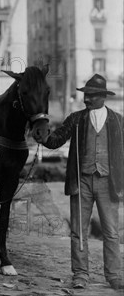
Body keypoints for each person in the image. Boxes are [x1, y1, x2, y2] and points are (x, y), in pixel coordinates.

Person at [42, 74, 123, 290]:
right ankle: (80, 274)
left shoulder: (118, 120)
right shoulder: (76, 119)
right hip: (81, 182)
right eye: (85, 95)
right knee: (78, 230)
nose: (86, 99)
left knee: (112, 232)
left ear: (103, 97)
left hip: (109, 184)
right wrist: (42, 135)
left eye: (91, 95)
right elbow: (55, 139)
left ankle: (114, 275)